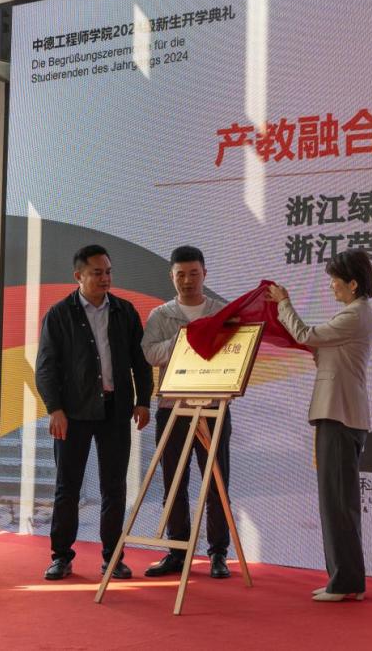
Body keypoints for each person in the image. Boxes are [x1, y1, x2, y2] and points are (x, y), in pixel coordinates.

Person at [35, 244, 153, 580]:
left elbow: (141, 361)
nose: (105, 278)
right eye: (97, 273)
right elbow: (45, 368)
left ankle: (113, 558)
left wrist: (144, 400)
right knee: (67, 487)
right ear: (79, 275)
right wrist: (54, 409)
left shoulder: (124, 311)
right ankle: (61, 557)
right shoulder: (59, 314)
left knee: (114, 487)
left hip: (116, 411)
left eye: (108, 272)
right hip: (72, 413)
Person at [268, 249, 372, 602]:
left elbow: (304, 334)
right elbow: (320, 348)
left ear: (353, 284)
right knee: (340, 501)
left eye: (335, 280)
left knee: (337, 502)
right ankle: (347, 580)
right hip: (341, 414)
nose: (331, 286)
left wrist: (284, 303)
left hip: (339, 414)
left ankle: (344, 582)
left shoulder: (354, 314)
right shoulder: (355, 314)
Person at [141, 246, 232, 579]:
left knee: (216, 482)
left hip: (213, 407)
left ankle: (218, 554)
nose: (188, 280)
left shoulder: (222, 313)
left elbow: (233, 355)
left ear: (205, 274)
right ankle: (177, 551)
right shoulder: (161, 315)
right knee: (174, 481)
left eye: (194, 273)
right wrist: (184, 340)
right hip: (173, 408)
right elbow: (150, 354)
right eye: (181, 274)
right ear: (172, 276)